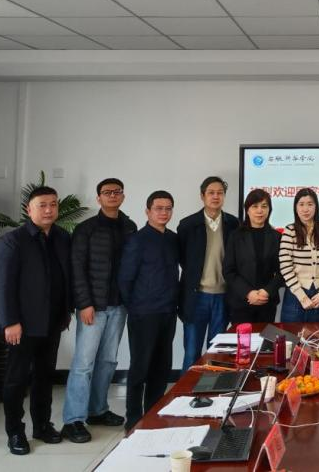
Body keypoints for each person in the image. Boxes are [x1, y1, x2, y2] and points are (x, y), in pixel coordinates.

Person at [0, 186, 72, 456]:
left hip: (52, 321)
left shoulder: (62, 237)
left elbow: (65, 278)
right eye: (42, 205)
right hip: (22, 324)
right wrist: (10, 321)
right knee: (16, 380)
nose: (49, 210)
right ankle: (15, 431)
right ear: (29, 209)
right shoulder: (13, 240)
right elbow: (4, 285)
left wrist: (66, 311)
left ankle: (42, 425)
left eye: (53, 204)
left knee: (44, 377)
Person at [61, 178, 136, 443]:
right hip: (93, 307)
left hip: (119, 306)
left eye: (117, 192)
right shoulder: (86, 229)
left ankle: (97, 410)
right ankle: (73, 419)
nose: (112, 195)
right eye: (107, 192)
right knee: (83, 364)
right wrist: (84, 304)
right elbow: (77, 268)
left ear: (123, 196)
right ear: (99, 198)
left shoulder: (129, 227)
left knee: (108, 361)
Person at [118, 191, 179, 430]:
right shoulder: (137, 240)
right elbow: (125, 279)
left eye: (168, 208)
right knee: (140, 368)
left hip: (168, 312)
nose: (164, 213)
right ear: (147, 211)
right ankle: (133, 418)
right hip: (144, 313)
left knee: (161, 369)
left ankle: (152, 414)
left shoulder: (173, 239)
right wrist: (135, 307)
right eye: (159, 208)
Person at [177, 176, 239, 372]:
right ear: (202, 196)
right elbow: (183, 258)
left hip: (223, 296)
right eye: (211, 193)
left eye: (220, 193)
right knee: (192, 352)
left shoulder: (233, 224)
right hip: (197, 297)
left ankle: (213, 390)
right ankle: (188, 390)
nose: (215, 196)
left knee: (217, 353)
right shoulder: (187, 225)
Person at [223, 189, 283, 323]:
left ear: (269, 210)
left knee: (266, 337)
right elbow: (228, 271)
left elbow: (283, 271)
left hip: (267, 302)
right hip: (241, 303)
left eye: (264, 206)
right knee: (242, 337)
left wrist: (267, 291)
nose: (260, 211)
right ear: (247, 210)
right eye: (255, 206)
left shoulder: (277, 237)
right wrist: (248, 292)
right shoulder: (235, 236)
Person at [279, 187, 319, 323]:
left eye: (310, 204)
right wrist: (302, 296)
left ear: (316, 207)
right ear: (296, 208)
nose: (306, 209)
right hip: (295, 295)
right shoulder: (290, 231)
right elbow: (285, 266)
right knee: (291, 335)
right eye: (301, 204)